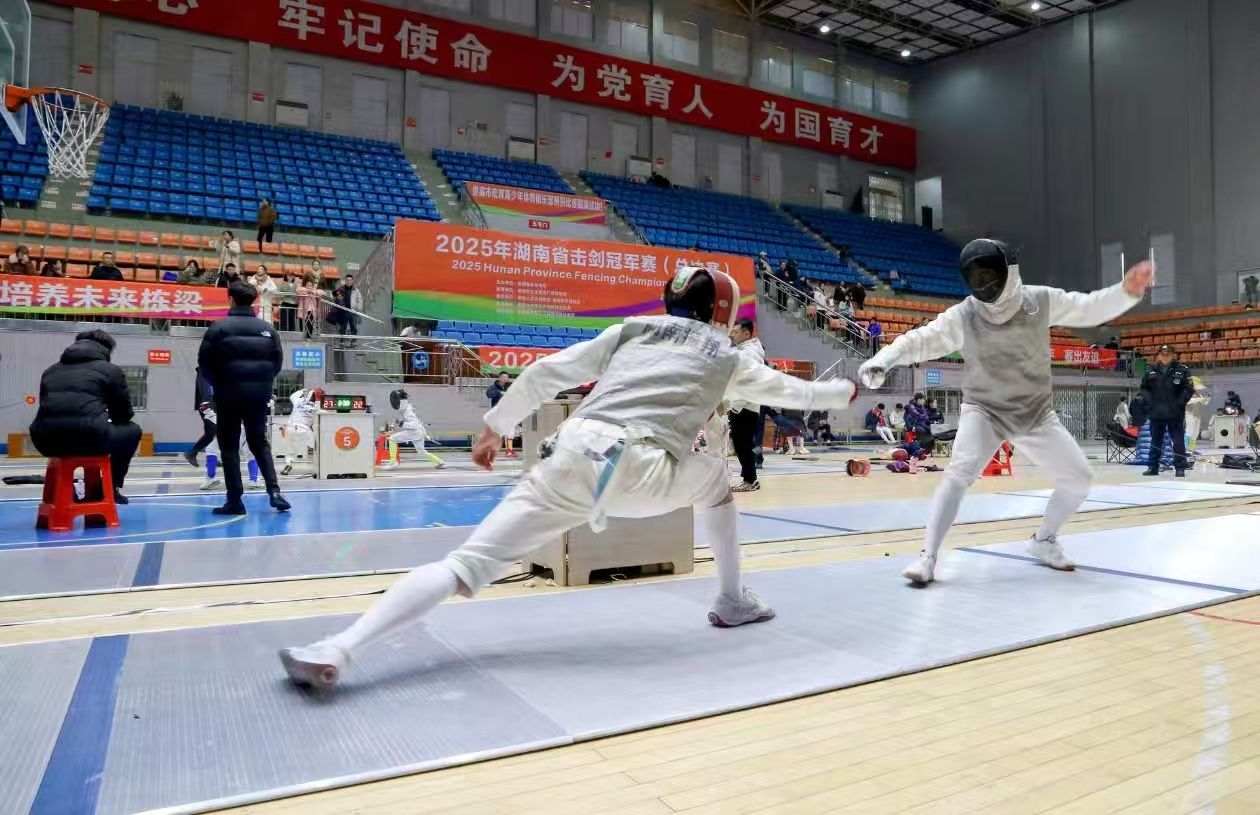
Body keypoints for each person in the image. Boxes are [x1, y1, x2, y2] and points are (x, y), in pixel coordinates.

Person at [278, 266, 859, 690]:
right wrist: (843, 390)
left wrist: (495, 426)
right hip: (639, 470)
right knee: (715, 482)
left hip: (569, 453)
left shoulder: (630, 332)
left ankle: (338, 647)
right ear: (722, 314)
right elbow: (797, 393)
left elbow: (545, 372)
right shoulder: (728, 357)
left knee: (464, 564)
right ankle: (731, 599)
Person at [859, 238, 1152, 585]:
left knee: (1079, 479)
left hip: (1035, 414)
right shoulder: (965, 315)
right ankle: (928, 557)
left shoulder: (1039, 300)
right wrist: (884, 359)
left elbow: (1087, 308)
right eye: (976, 277)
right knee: (958, 475)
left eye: (988, 274)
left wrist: (1125, 292)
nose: (983, 283)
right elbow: (920, 340)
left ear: (1009, 271)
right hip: (984, 411)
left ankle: (1043, 541)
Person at [197, 281, 289, 514]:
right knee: (259, 443)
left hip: (228, 396)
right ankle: (274, 491)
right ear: (253, 300)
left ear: (230, 299)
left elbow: (204, 365)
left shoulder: (218, 328)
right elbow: (277, 364)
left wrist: (220, 384)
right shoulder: (269, 330)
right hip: (258, 397)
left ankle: (235, 501)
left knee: (229, 447)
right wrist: (262, 384)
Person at [29, 330, 141, 504]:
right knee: (133, 430)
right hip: (89, 439)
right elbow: (123, 415)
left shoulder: (50, 371)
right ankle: (109, 486)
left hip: (45, 441)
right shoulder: (111, 371)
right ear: (106, 350)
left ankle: (64, 489)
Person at [1139, 344, 1192, 477]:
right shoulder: (1150, 370)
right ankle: (1153, 467)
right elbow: (1144, 389)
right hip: (1156, 412)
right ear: (1158, 355)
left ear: (1173, 355)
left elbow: (1188, 389)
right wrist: (1150, 404)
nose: (1165, 356)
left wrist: (1179, 403)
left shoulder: (1182, 370)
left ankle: (1180, 467)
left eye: (1168, 354)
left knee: (1178, 442)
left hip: (1175, 413)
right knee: (1155, 441)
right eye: (1163, 354)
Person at [726, 318, 765, 492]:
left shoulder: (749, 353)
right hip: (744, 405)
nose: (732, 335)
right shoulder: (746, 351)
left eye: (735, 332)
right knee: (742, 444)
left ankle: (750, 480)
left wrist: (735, 406)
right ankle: (749, 479)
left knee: (743, 445)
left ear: (746, 334)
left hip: (744, 406)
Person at [197, 400, 264, 492]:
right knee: (251, 454)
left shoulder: (209, 415)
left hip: (232, 432)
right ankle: (254, 480)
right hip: (244, 430)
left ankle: (211, 478)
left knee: (211, 450)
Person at [383, 389, 445, 469]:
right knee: (422, 452)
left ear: (400, 401)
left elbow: (414, 424)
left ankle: (393, 462)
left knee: (392, 439)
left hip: (414, 432)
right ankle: (440, 462)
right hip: (418, 432)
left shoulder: (407, 410)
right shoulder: (406, 407)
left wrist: (400, 423)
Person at [280, 387, 321, 475]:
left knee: (290, 451)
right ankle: (319, 469)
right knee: (318, 448)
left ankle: (288, 464)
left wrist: (302, 390)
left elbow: (292, 396)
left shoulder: (298, 401)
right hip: (304, 430)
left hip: (290, 429)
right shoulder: (317, 407)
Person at [183, 366, 216, 467]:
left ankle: (195, 454)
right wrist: (208, 404)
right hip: (208, 407)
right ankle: (194, 454)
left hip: (214, 405)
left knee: (211, 433)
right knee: (215, 431)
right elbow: (205, 389)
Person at [485, 371, 517, 457]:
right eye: (503, 377)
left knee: (511, 430)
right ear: (499, 378)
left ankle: (509, 450)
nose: (505, 378)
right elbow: (488, 394)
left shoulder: (510, 386)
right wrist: (499, 392)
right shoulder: (494, 387)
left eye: (506, 377)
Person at [296, 271, 324, 339]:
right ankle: (302, 338)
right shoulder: (301, 288)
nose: (309, 287)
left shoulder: (315, 290)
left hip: (311, 311)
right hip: (303, 311)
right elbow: (298, 290)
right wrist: (308, 290)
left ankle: (309, 338)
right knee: (302, 326)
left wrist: (314, 291)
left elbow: (322, 292)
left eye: (310, 285)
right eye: (307, 285)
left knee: (310, 325)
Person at [333, 275, 362, 340]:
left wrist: (357, 309)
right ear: (345, 281)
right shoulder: (340, 289)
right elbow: (335, 298)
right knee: (342, 327)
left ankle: (353, 341)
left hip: (352, 311)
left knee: (353, 327)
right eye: (347, 280)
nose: (349, 281)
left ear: (352, 281)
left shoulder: (356, 290)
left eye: (350, 280)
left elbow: (360, 300)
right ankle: (341, 340)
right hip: (343, 311)